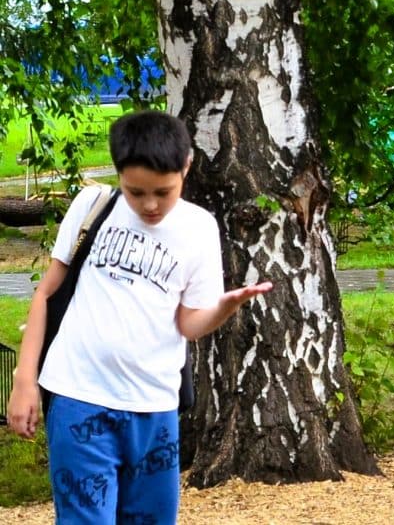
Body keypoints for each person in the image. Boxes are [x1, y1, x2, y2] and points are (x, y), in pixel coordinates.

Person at [7, 111, 272, 524]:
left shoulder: (200, 229)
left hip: (155, 409)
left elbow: (189, 325)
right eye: (135, 192)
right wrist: (25, 381)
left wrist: (225, 306)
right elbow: (45, 293)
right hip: (79, 397)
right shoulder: (93, 205)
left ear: (186, 166)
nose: (149, 205)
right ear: (118, 174)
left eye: (162, 193)